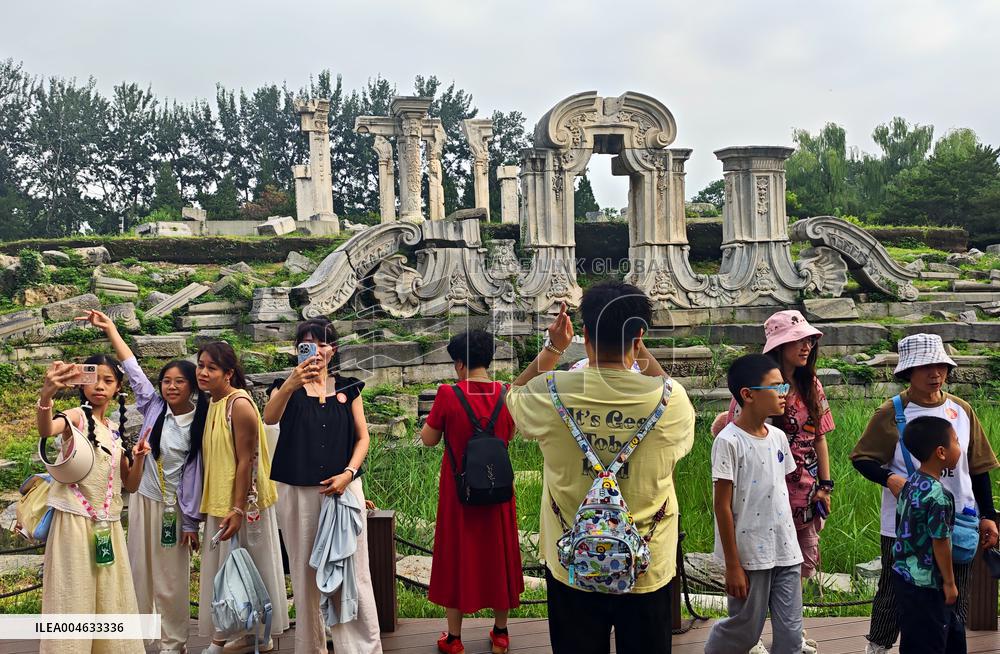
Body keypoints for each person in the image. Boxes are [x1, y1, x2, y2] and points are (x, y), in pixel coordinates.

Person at [505, 281, 696, 654]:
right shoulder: (672, 402)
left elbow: (510, 400)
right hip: (647, 563)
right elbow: (666, 385)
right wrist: (641, 351)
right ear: (639, 335)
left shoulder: (551, 391)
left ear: (586, 334)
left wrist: (553, 348)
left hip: (573, 559)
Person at [851, 333, 999, 654]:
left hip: (958, 519)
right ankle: (878, 645)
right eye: (925, 367)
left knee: (955, 587)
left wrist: (988, 515)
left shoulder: (961, 410)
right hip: (904, 525)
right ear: (908, 372)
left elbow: (978, 466)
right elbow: (863, 458)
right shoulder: (891, 412)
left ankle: (949, 640)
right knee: (895, 589)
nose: (935, 374)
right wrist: (890, 479)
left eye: (941, 367)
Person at [710, 310, 835, 651]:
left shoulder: (811, 387)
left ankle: (788, 636)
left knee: (796, 585)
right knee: (748, 609)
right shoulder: (738, 426)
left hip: (797, 502)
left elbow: (819, 438)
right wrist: (731, 563)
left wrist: (825, 486)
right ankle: (742, 641)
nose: (806, 346)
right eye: (797, 340)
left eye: (809, 340)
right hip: (755, 523)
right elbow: (726, 497)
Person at [81, 310, 202, 654]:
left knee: (171, 580)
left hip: (175, 510)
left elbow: (197, 474)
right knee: (138, 573)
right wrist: (111, 329)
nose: (172, 387)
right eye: (167, 381)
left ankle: (173, 643)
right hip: (143, 500)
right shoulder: (153, 407)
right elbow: (131, 368)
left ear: (192, 386)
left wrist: (192, 520)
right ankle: (138, 638)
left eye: (179, 381)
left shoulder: (200, 422)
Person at [263, 319, 382, 654]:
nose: (316, 350)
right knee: (304, 572)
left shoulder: (349, 387)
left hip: (345, 489)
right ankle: (311, 646)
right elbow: (269, 418)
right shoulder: (284, 387)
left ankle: (360, 647)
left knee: (353, 570)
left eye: (323, 343)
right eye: (307, 343)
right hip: (298, 490)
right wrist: (290, 383)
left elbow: (363, 437)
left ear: (334, 349)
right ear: (297, 348)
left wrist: (349, 472)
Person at [420, 329, 523, 654]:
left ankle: (454, 639)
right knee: (499, 554)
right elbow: (511, 432)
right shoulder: (506, 394)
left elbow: (429, 439)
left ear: (461, 363)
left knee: (456, 556)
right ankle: (501, 633)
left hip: (459, 494)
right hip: (497, 489)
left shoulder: (448, 396)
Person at [36, 355, 144, 653]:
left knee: (110, 599)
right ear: (82, 384)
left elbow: (131, 485)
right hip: (73, 522)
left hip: (107, 525)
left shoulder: (113, 430)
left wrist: (142, 457)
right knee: (73, 595)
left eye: (108, 381)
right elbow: (47, 430)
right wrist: (47, 394)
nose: (100, 386)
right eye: (94, 379)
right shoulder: (76, 418)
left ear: (118, 388)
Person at [704, 354, 808, 654]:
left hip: (785, 550)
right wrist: (732, 566)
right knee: (745, 629)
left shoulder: (777, 437)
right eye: (776, 388)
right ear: (748, 395)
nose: (784, 395)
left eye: (784, 387)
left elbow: (779, 492)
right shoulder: (728, 441)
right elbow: (722, 506)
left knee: (791, 633)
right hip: (749, 556)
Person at [195, 342, 289, 654]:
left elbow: (246, 461)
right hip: (222, 500)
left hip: (244, 506)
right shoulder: (214, 402)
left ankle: (230, 639)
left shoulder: (240, 405)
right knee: (230, 568)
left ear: (229, 373)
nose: (203, 372)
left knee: (250, 565)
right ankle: (247, 634)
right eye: (201, 365)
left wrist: (236, 508)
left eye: (212, 367)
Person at [891, 416, 965, 654]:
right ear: (941, 452)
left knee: (915, 638)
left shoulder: (910, 483)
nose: (960, 446)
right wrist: (950, 583)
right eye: (956, 441)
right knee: (932, 641)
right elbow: (941, 542)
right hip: (928, 584)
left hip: (904, 576)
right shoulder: (939, 496)